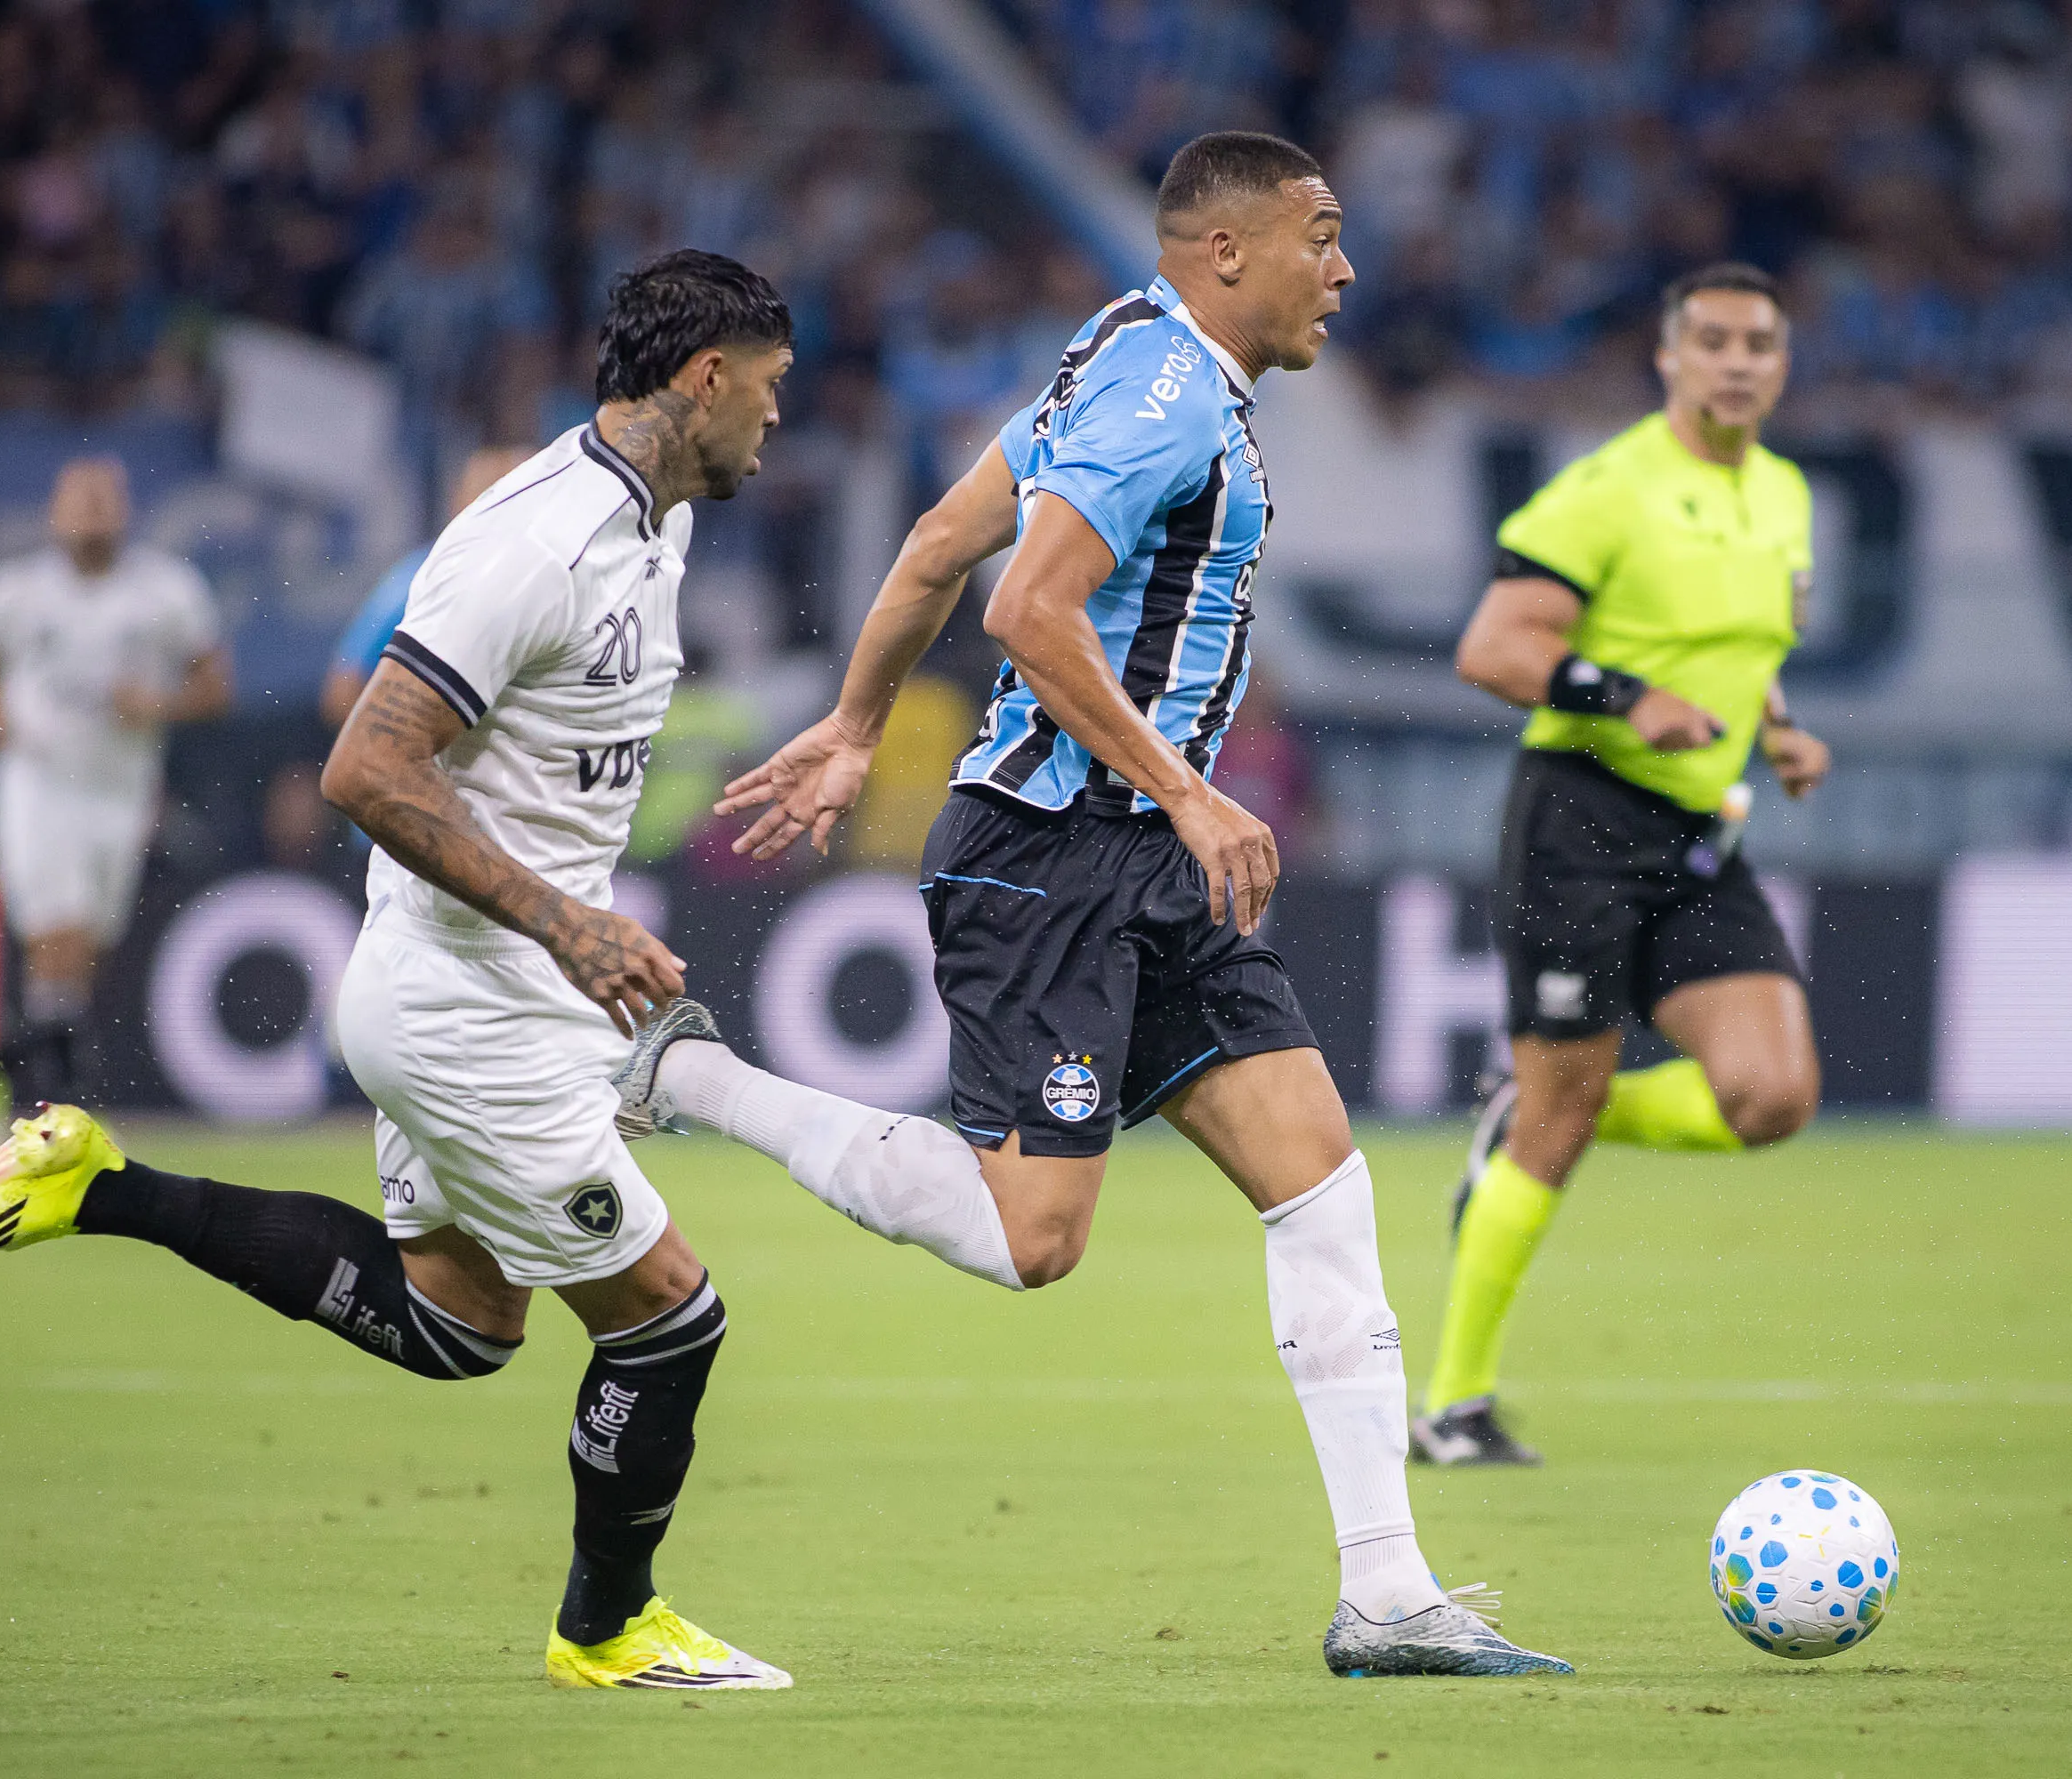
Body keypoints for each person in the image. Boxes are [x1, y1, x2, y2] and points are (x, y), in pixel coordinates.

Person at [625, 132, 1571, 1679]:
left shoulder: (1118, 347)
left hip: (1144, 862)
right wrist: (1192, 790)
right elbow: (1024, 603)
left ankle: (1389, 1594)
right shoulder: (1162, 389)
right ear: (1226, 254)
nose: (1345, 270)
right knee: (1033, 1240)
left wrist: (861, 726)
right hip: (1051, 859)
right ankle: (692, 1076)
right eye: (1320, 238)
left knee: (1320, 1180)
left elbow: (940, 543)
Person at [0, 251, 799, 1692]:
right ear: (702, 378)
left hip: (495, 997)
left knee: (456, 1327)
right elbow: (366, 764)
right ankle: (608, 1630)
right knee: (671, 1322)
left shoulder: (656, 524)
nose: (777, 417)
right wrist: (570, 931)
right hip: (468, 1005)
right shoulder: (538, 543)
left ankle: (91, 1184)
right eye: (768, 387)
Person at [1410, 263, 1835, 1469]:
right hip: (1581, 825)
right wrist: (1623, 695)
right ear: (1670, 358)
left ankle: (1528, 1104)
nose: (1738, 360)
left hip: (1702, 839)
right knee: (1567, 1114)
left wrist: (1781, 729)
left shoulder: (1787, 495)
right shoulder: (1608, 490)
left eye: (1760, 341)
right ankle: (1453, 1407)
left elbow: (1743, 649)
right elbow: (1490, 649)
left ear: (1781, 361)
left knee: (1772, 1097)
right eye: (1713, 340)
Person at [0, 456, 230, 1110]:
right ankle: (57, 1078)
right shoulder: (15, 591)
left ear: (126, 510)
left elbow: (214, 686)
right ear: (54, 513)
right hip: (38, 775)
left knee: (91, 933)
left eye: (103, 500)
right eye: (79, 501)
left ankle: (30, 1050)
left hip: (119, 783)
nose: (91, 514)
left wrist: (158, 704)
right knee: (59, 918)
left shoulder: (168, 592)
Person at [321, 446, 536, 729]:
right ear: (459, 500)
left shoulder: (551, 582)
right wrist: (411, 750)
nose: (499, 513)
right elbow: (343, 692)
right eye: (488, 495)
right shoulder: (423, 576)